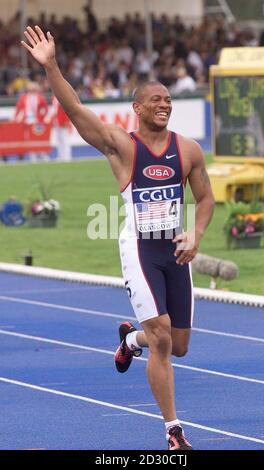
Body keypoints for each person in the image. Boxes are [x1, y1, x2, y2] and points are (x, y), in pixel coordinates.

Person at [21, 26, 215, 450]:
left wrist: (196, 235)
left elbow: (205, 199)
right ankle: (173, 432)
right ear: (137, 108)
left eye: (168, 100)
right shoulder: (120, 147)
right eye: (156, 100)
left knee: (177, 344)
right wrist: (51, 64)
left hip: (174, 251)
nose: (164, 105)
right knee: (162, 337)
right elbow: (74, 109)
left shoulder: (189, 150)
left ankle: (131, 339)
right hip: (141, 248)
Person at [14, 80, 49, 162]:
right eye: (30, 88)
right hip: (27, 121)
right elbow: (18, 109)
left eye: (33, 88)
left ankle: (42, 154)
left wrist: (41, 118)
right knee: (29, 139)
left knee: (39, 138)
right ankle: (32, 156)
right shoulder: (23, 97)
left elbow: (45, 109)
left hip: (37, 121)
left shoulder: (40, 97)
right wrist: (16, 118)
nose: (32, 89)